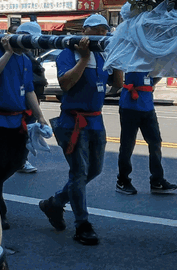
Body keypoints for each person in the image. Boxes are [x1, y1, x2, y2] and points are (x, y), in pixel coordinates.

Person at [39, 14, 123, 246]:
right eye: (96, 30)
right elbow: (65, 84)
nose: (101, 34)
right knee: (78, 172)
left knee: (94, 170)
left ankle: (55, 203)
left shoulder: (104, 54)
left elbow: (117, 84)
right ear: (85, 31)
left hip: (96, 121)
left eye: (104, 31)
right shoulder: (69, 54)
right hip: (72, 122)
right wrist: (84, 59)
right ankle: (82, 225)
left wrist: (118, 60)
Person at [0, 22, 48, 229]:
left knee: (17, 162)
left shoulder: (26, 59)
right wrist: (8, 53)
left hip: (17, 120)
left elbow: (28, 91)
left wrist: (40, 116)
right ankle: (0, 211)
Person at [115, 70, 177, 196]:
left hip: (147, 106)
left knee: (155, 142)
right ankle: (122, 180)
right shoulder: (130, 55)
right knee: (127, 145)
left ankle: (157, 180)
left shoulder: (150, 56)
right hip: (129, 107)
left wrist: (151, 82)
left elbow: (161, 69)